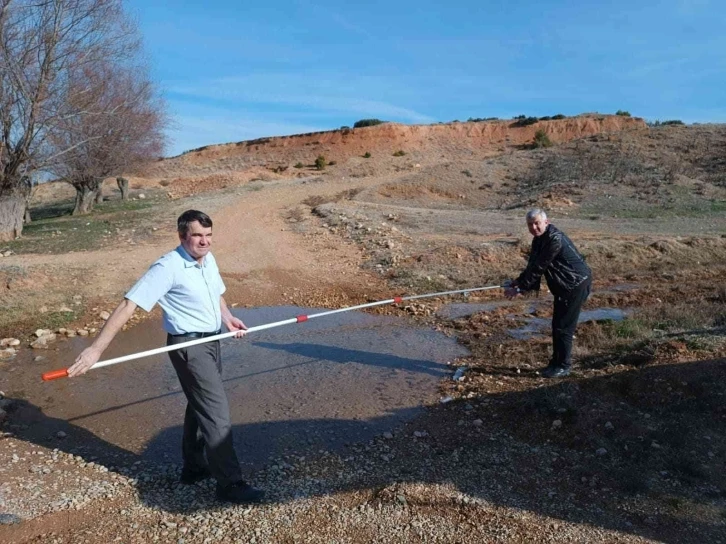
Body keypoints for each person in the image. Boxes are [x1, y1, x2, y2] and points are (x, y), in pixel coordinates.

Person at [68, 209, 264, 504]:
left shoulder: (208, 259)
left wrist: (228, 317)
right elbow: (128, 305)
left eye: (209, 235)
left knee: (199, 406)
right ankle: (230, 484)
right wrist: (96, 349)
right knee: (217, 414)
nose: (204, 242)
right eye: (197, 235)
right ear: (182, 235)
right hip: (188, 347)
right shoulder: (167, 267)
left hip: (212, 340)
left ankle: (194, 467)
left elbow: (216, 294)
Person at [504, 209, 592, 378]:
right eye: (530, 224)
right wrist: (519, 281)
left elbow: (540, 267)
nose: (534, 227)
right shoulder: (538, 240)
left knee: (563, 327)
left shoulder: (554, 239)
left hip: (575, 284)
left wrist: (520, 289)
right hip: (565, 285)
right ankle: (555, 363)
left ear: (546, 222)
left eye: (537, 223)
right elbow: (532, 265)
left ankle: (564, 366)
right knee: (557, 325)